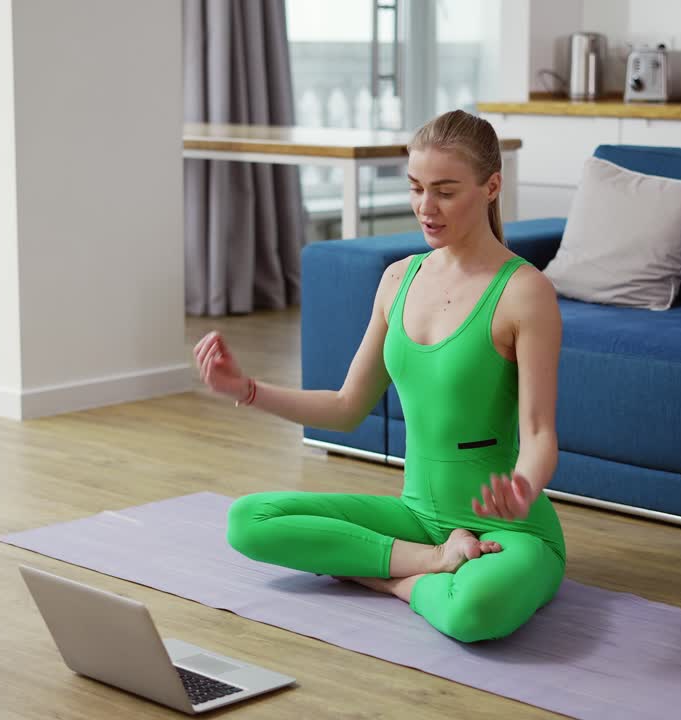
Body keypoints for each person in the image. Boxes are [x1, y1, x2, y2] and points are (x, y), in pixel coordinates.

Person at [192, 110, 565, 643]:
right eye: (415, 188)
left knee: (476, 611)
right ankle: (433, 560)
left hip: (510, 529)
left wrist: (523, 486)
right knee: (249, 519)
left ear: (491, 187)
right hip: (418, 518)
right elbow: (346, 408)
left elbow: (540, 434)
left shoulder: (523, 292)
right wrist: (246, 390)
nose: (425, 208)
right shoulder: (398, 279)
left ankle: (392, 578)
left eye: (445, 191)